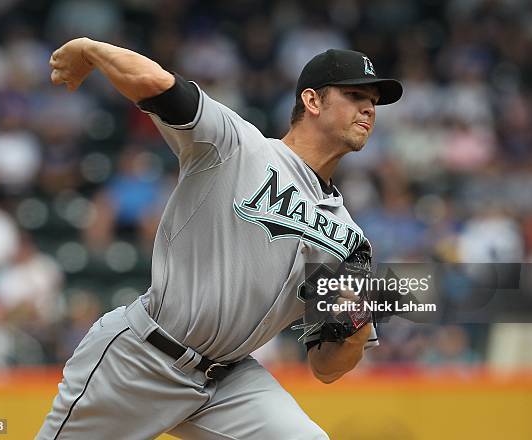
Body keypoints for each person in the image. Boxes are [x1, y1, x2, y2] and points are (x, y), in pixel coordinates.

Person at [39, 37, 402, 439]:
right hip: (143, 358)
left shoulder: (351, 241)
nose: (369, 108)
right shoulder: (235, 145)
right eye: (355, 95)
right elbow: (156, 83)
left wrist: (356, 324)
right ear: (312, 102)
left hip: (228, 382)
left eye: (373, 101)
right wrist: (90, 49)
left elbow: (326, 368)